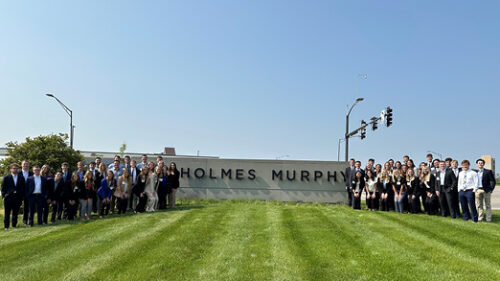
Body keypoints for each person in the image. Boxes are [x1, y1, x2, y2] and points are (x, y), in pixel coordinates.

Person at [1, 163, 25, 229]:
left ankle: (14, 225)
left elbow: (23, 188)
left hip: (17, 198)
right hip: (8, 198)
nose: (15, 170)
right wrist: (3, 196)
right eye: (14, 168)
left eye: (17, 168)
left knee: (15, 213)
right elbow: (3, 188)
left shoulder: (21, 177)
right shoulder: (6, 177)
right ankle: (6, 227)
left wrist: (21, 197)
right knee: (7, 214)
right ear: (11, 169)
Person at [20, 160, 33, 225]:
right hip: (19, 193)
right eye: (24, 164)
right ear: (21, 165)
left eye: (27, 164)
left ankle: (26, 221)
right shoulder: (18, 173)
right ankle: (14, 222)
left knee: (28, 207)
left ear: (29, 165)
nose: (25, 165)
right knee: (15, 208)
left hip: (29, 193)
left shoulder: (32, 173)